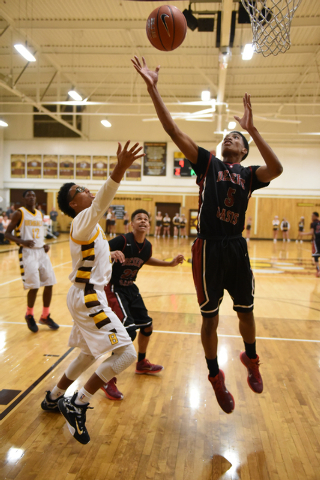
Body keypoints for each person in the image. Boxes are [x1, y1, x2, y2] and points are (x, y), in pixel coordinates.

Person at [131, 56, 283, 414]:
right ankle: (215, 376)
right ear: (221, 149)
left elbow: (276, 168)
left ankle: (251, 358)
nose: (231, 137)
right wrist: (153, 88)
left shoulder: (248, 174)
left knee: (246, 311)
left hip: (236, 247)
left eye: (237, 138)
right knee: (209, 317)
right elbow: (173, 131)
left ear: (244, 152)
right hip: (208, 247)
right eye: (228, 136)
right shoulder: (208, 164)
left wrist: (254, 130)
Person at [40, 141, 145, 445]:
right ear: (73, 204)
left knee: (88, 353)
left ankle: (55, 396)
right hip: (89, 299)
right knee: (126, 353)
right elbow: (100, 201)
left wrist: (107, 256)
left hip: (81, 294)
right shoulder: (83, 219)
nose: (86, 191)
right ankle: (78, 402)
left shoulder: (92, 228)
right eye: (79, 191)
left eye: (85, 188)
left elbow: (91, 249)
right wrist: (120, 168)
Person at [102, 209, 184, 400]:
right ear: (132, 224)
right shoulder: (122, 240)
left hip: (131, 289)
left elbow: (146, 260)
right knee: (128, 332)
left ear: (149, 225)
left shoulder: (147, 246)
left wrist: (169, 264)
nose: (143, 221)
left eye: (146, 219)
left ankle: (141, 363)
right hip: (114, 288)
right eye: (139, 218)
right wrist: (109, 252)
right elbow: (99, 250)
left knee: (147, 326)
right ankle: (107, 378)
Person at [4, 191, 59, 333]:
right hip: (27, 253)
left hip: (41, 251)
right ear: (23, 199)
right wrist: (22, 241)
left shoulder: (40, 213)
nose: (31, 197)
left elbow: (38, 233)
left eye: (33, 195)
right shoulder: (19, 213)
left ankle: (45, 316)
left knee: (49, 283)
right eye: (28, 195)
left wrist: (44, 244)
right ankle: (29, 314)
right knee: (34, 286)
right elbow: (7, 234)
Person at [300, 212, 320, 277]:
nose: (311, 217)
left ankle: (318, 270)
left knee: (316, 256)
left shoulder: (313, 224)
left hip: (316, 241)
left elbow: (311, 232)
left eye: (312, 216)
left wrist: (303, 234)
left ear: (316, 216)